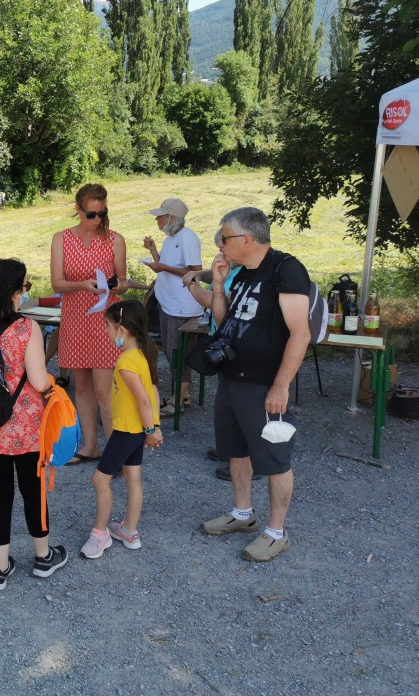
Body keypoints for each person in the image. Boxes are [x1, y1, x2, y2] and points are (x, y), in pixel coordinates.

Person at [200, 207, 311, 562]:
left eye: (224, 237)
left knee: (275, 459)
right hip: (233, 378)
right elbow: (226, 324)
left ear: (248, 239)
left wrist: (281, 385)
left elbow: (300, 333)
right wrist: (218, 285)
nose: (219, 243)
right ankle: (243, 514)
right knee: (236, 450)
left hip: (264, 383)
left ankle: (277, 533)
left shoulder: (285, 269)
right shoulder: (243, 273)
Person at [0, 258, 68, 590]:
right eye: (23, 287)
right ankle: (43, 557)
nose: (25, 293)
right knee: (33, 491)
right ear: (11, 291)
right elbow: (37, 380)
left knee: (0, 495)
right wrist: (55, 391)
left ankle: (0, 568)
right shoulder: (26, 328)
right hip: (25, 426)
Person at [49, 183, 127, 463]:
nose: (97, 220)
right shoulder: (61, 239)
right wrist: (82, 285)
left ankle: (115, 456)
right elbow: (57, 282)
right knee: (81, 387)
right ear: (78, 210)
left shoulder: (115, 240)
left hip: (106, 320)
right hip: (75, 317)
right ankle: (90, 446)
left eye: (102, 213)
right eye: (91, 214)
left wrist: (118, 286)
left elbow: (124, 282)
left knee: (105, 389)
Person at [80, 300, 162, 559]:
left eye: (107, 326)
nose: (105, 331)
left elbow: (144, 399)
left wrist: (152, 430)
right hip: (135, 429)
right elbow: (153, 393)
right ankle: (129, 530)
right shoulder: (141, 355)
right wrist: (151, 427)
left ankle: (100, 533)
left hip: (127, 430)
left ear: (122, 330)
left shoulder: (127, 362)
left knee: (100, 479)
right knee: (133, 479)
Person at [141, 197, 204, 416]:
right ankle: (182, 395)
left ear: (172, 218)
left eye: (160, 216)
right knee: (170, 351)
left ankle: (180, 398)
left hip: (183, 307)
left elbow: (195, 270)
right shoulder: (171, 238)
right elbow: (165, 267)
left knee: (178, 352)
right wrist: (153, 252)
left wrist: (163, 266)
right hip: (169, 304)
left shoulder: (187, 237)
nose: (157, 219)